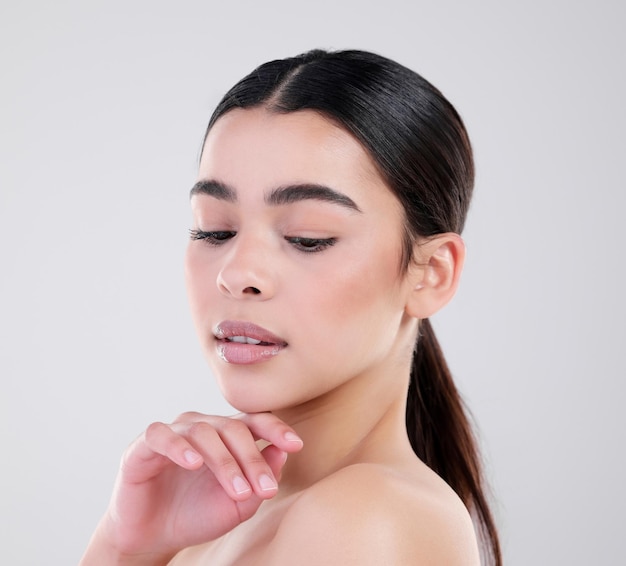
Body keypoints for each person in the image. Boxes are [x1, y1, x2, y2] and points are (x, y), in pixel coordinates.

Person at [80, 49, 502, 565]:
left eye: (307, 238)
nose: (236, 274)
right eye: (215, 228)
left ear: (432, 273)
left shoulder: (367, 517)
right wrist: (127, 545)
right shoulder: (208, 524)